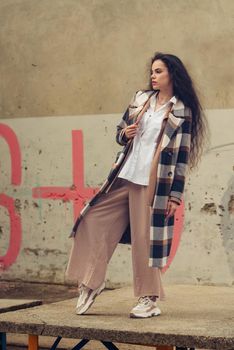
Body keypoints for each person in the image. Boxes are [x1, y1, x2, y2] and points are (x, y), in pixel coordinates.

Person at [65, 52, 207, 318]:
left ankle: (148, 299)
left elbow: (182, 157)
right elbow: (120, 132)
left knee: (145, 240)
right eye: (152, 72)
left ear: (172, 75)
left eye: (158, 71)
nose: (153, 76)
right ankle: (92, 282)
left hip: (152, 182)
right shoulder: (141, 100)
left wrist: (175, 196)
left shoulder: (181, 111)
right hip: (124, 175)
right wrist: (125, 133)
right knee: (91, 219)